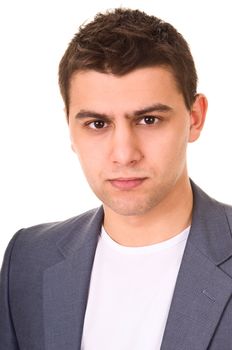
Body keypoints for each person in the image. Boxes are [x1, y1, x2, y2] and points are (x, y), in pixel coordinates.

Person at [0, 7, 232, 350]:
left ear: (195, 118)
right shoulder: (28, 259)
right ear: (70, 127)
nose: (124, 154)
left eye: (148, 120)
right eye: (97, 124)